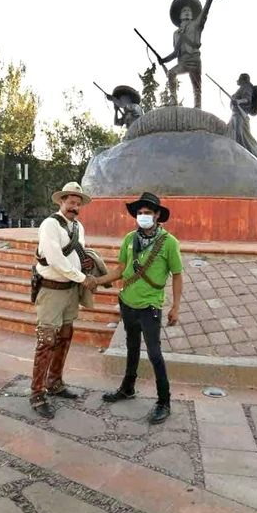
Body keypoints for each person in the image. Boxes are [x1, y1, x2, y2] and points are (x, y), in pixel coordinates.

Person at [94, 192, 183, 424]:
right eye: (140, 213)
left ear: (157, 216)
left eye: (148, 213)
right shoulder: (129, 239)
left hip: (151, 305)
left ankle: (164, 401)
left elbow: (177, 275)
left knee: (154, 354)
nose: (143, 216)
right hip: (128, 302)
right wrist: (96, 281)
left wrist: (176, 307)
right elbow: (120, 270)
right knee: (132, 348)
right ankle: (127, 388)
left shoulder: (169, 243)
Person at [30, 181, 97, 419]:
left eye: (78, 203)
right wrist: (83, 278)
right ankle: (37, 393)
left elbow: (80, 254)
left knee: (65, 337)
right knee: (46, 340)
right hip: (51, 290)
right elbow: (56, 260)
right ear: (61, 201)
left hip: (70, 291)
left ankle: (55, 382)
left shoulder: (78, 227)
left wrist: (87, 266)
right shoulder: (50, 224)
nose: (74, 207)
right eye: (71, 202)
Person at [158, 0, 215, 109]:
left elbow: (205, 11)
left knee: (197, 87)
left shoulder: (196, 25)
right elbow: (175, 53)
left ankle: (198, 106)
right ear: (180, 16)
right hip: (183, 62)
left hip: (194, 60)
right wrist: (163, 60)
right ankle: (173, 99)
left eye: (189, 11)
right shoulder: (176, 33)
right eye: (184, 11)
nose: (187, 12)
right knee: (171, 73)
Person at [228, 73, 257, 165]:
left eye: (240, 79)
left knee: (240, 135)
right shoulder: (242, 87)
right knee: (234, 133)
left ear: (243, 79)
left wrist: (238, 101)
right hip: (236, 114)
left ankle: (246, 154)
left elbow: (247, 99)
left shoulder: (247, 87)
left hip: (240, 114)